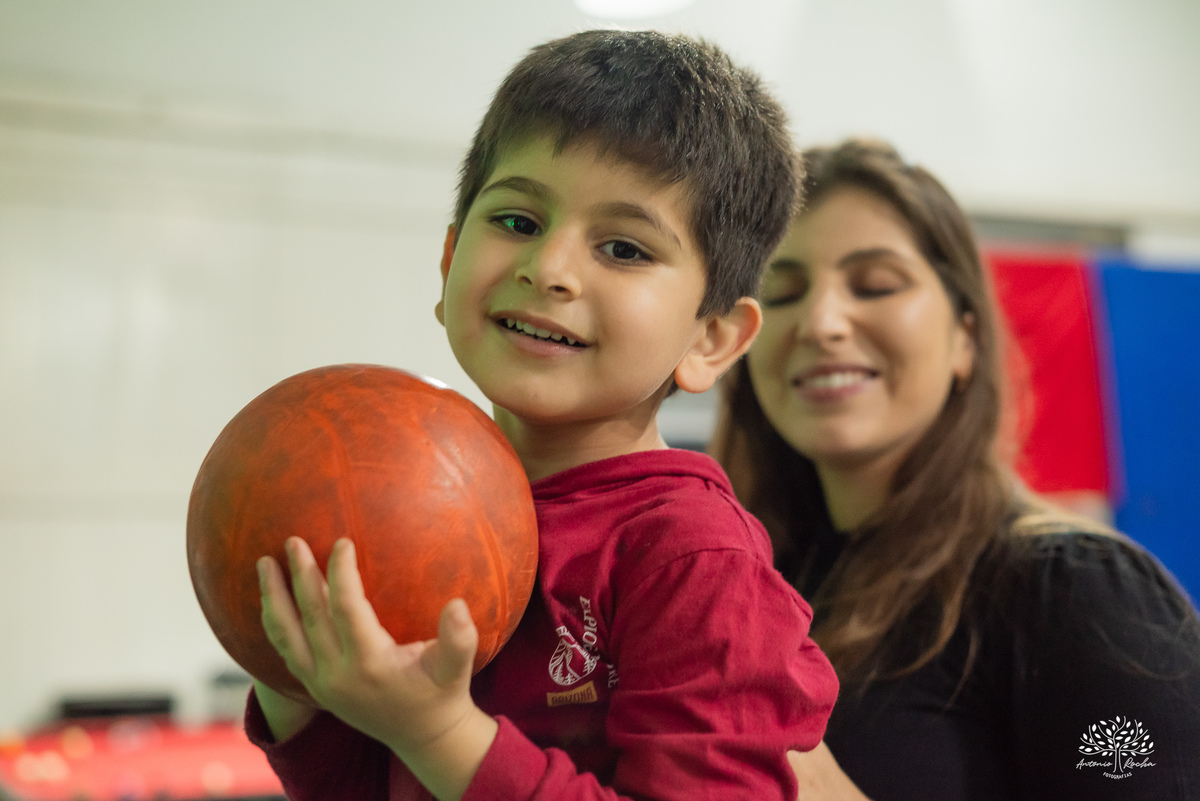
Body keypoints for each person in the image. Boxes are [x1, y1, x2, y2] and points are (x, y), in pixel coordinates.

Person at [242, 30, 840, 801]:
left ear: (712, 337)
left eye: (623, 248)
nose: (548, 268)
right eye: (518, 222)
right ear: (450, 258)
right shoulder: (411, 498)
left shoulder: (693, 555)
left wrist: (438, 732)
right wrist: (301, 684)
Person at [712, 138, 1200, 801]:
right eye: (785, 290)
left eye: (876, 284)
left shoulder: (1078, 592)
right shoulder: (756, 582)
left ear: (964, 338)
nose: (821, 322)